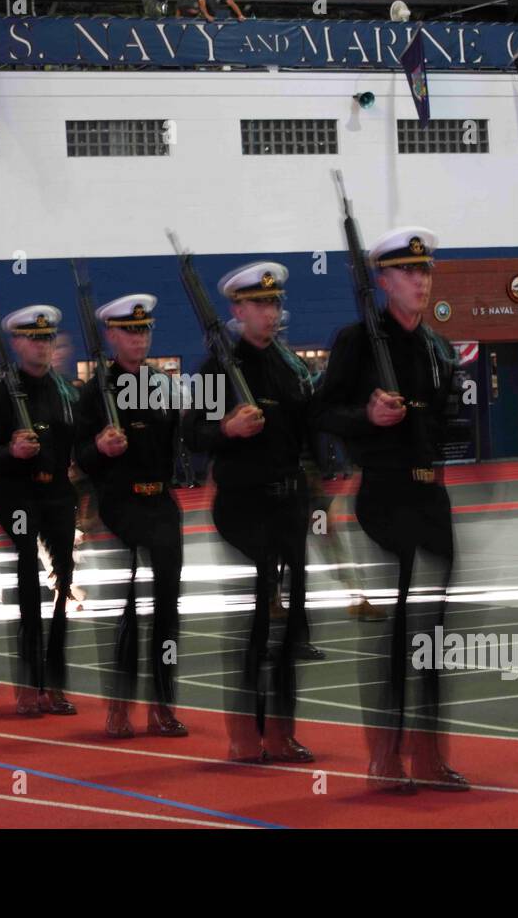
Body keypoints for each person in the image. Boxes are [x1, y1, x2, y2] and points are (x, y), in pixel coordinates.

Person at [312, 226, 469, 794]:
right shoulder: (357, 340)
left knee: (436, 631)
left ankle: (429, 756)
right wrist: (367, 417)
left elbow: (447, 419)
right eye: (407, 271)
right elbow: (323, 412)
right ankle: (384, 757)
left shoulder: (437, 346)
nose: (420, 281)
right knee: (400, 626)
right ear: (382, 280)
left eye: (425, 271)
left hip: (433, 494)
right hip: (385, 491)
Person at [184, 262, 315, 764]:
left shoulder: (288, 365)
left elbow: (309, 426)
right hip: (243, 505)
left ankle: (281, 733)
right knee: (257, 619)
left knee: (292, 627)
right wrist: (227, 431)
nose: (269, 312)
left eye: (274, 303)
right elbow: (192, 433)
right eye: (259, 304)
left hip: (290, 503)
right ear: (237, 310)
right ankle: (244, 735)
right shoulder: (220, 367)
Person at [75, 294, 188, 739]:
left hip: (162, 504)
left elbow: (189, 439)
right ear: (111, 335)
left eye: (143, 330)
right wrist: (99, 450)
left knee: (167, 612)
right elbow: (80, 458)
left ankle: (163, 704)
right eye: (129, 330)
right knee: (126, 610)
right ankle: (119, 709)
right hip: (120, 505)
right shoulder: (93, 392)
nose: (138, 338)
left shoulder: (162, 385)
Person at [0, 305, 78, 718]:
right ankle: (28, 683)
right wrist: (12, 453)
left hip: (57, 494)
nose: (42, 345)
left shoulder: (66, 392)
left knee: (63, 584)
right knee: (27, 581)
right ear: (17, 343)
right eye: (33, 338)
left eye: (47, 338)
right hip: (17, 497)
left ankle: (53, 682)